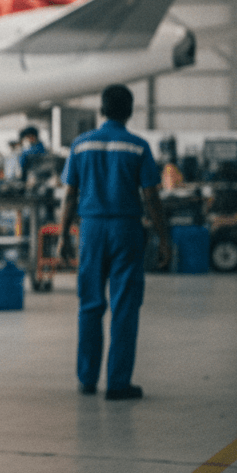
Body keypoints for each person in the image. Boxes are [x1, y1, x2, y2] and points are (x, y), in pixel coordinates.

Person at [56, 84, 170, 401]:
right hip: (125, 229)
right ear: (129, 111)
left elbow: (70, 196)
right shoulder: (138, 146)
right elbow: (151, 197)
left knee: (90, 305)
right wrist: (164, 238)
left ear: (102, 111)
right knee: (124, 306)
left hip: (91, 230)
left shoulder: (80, 145)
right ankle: (118, 383)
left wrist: (63, 235)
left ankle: (87, 380)